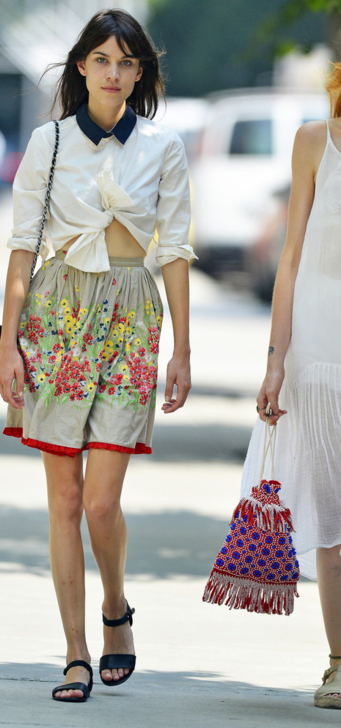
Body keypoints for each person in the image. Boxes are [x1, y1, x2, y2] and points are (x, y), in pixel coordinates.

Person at [0, 8, 195, 703]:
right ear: (81, 66)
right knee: (66, 499)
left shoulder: (163, 149)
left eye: (127, 63)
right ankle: (76, 653)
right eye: (102, 60)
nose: (114, 73)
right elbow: (23, 247)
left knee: (103, 504)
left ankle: (116, 606)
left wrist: (182, 349)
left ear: (141, 73)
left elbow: (172, 251)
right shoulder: (48, 143)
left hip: (133, 319)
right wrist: (9, 344)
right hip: (57, 318)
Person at [242, 63, 341, 709]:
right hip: (317, 352)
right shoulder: (314, 140)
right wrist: (275, 358)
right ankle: (339, 664)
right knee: (333, 524)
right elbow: (292, 256)